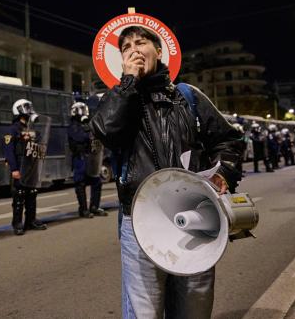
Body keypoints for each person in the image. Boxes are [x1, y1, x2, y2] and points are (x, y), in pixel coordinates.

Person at [89, 25, 244, 318]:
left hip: (194, 217)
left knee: (193, 307)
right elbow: (107, 132)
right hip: (139, 221)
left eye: (141, 42)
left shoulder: (188, 97)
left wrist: (223, 173)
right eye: (125, 47)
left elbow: (230, 140)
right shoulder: (117, 98)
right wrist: (127, 85)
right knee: (143, 311)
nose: (133, 49)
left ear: (159, 52)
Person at [3, 99, 47, 235]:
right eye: (26, 107)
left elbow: (39, 145)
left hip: (31, 166)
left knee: (32, 193)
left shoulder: (32, 128)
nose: (29, 110)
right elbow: (9, 151)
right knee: (19, 194)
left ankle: (31, 220)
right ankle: (17, 223)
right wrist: (14, 169)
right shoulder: (12, 129)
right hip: (20, 165)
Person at [67, 102, 108, 218]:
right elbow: (80, 137)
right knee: (80, 183)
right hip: (80, 158)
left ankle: (94, 206)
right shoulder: (73, 126)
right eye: (81, 110)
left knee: (96, 181)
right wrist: (87, 130)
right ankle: (83, 209)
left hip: (91, 158)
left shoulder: (87, 124)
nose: (84, 112)